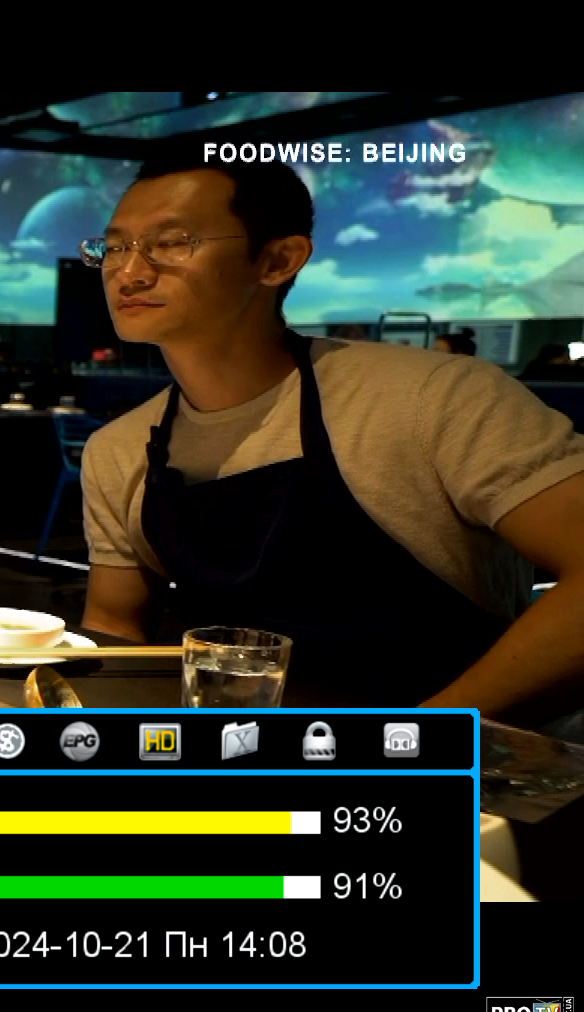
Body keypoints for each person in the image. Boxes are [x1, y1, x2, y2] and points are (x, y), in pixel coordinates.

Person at [76, 151, 583, 720]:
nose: (130, 272)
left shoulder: (435, 398)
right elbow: (114, 629)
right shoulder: (119, 450)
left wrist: (415, 743)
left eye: (171, 243)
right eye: (114, 247)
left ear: (278, 260)